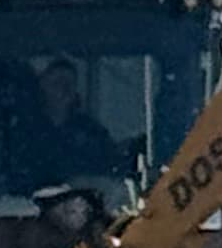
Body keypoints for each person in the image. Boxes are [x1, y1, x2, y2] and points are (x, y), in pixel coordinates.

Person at [10, 53, 139, 196]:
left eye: (70, 83)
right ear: (42, 87)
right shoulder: (24, 133)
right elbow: (17, 180)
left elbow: (110, 167)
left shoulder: (91, 131)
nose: (65, 89)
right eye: (57, 83)